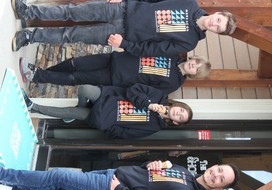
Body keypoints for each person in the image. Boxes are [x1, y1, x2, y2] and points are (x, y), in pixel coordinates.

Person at [11, 0, 236, 56]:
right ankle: (28, 11)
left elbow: (151, 49)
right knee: (72, 11)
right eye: (219, 20)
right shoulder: (188, 1)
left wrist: (124, 44)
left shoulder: (188, 43)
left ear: (216, 33)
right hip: (122, 8)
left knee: (71, 35)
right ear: (217, 13)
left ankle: (30, 37)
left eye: (218, 27)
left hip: (120, 33)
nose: (215, 24)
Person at [0, 160, 240, 190]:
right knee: (59, 189)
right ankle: (9, 185)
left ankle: (4, 174)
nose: (215, 175)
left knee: (59, 177)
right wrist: (151, 164)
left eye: (221, 179)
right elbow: (147, 175)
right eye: (219, 170)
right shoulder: (183, 172)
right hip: (113, 174)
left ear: (219, 188)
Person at [22, 83, 193, 138]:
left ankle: (32, 106)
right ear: (178, 105)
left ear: (176, 122)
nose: (178, 113)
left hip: (103, 117)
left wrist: (106, 125)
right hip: (108, 98)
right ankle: (78, 109)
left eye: (181, 117)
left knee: (74, 113)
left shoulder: (155, 127)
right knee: (84, 89)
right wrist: (148, 104)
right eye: (181, 110)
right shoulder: (159, 96)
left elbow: (126, 133)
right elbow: (134, 89)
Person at [19, 51, 211, 94]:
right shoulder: (173, 55)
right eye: (196, 62)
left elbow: (144, 89)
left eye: (196, 69)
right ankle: (40, 73)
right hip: (116, 59)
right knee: (74, 63)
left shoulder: (174, 84)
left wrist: (123, 85)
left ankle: (36, 75)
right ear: (192, 59)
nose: (193, 66)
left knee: (74, 78)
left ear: (194, 74)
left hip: (115, 77)